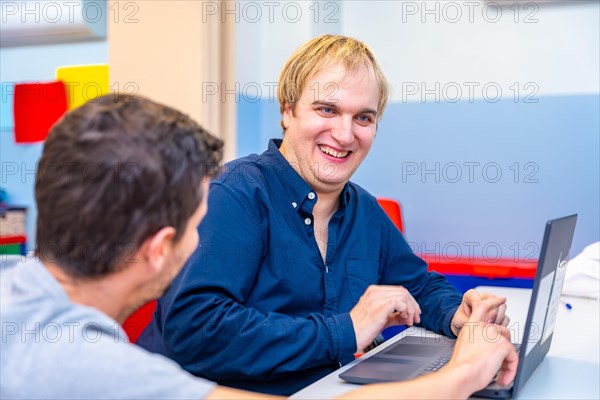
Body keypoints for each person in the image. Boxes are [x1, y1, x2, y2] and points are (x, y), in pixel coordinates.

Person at [0, 93, 516, 400]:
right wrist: (464, 373)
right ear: (161, 249)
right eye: (199, 224)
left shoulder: (19, 294)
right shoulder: (86, 368)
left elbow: (418, 280)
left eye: (364, 116)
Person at [137, 34, 510, 395]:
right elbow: (197, 330)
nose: (345, 135)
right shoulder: (235, 195)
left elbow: (419, 285)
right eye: (327, 110)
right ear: (288, 110)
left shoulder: (365, 209)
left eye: (363, 118)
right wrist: (347, 330)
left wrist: (455, 314)